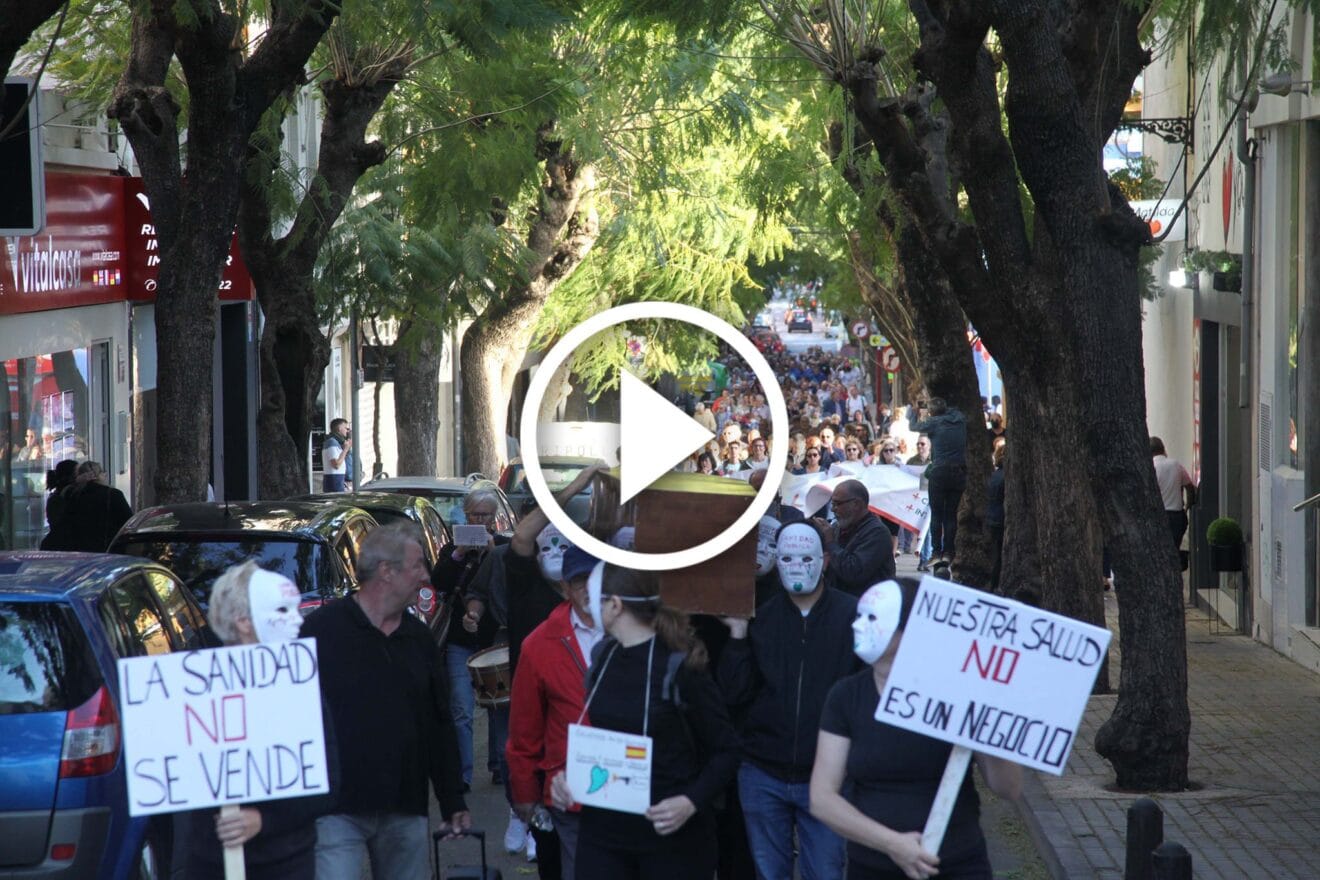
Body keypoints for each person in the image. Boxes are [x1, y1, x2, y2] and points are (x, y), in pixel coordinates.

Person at [811, 577, 1022, 879]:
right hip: (874, 868)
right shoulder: (846, 697)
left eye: (872, 618)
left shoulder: (956, 693)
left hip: (957, 864)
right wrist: (892, 844)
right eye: (858, 616)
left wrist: (985, 724)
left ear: (910, 628)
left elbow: (1009, 788)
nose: (858, 626)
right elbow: (822, 799)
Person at [300, 523, 471, 879]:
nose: (426, 575)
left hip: (404, 805)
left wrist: (452, 798)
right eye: (417, 566)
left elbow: (439, 722)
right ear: (387, 572)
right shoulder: (321, 631)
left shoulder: (420, 640)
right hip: (336, 807)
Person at [550, 565, 741, 878]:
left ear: (615, 605)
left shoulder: (680, 665)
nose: (587, 609)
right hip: (604, 834)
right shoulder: (602, 655)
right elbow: (606, 737)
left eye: (595, 601)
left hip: (669, 836)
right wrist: (570, 775)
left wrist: (691, 801)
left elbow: (728, 750)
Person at [462, 461, 610, 854]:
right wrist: (577, 485)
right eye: (551, 545)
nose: (556, 553)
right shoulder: (526, 580)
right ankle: (523, 814)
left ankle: (553, 825)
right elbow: (526, 533)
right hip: (531, 685)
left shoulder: (595, 599)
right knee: (522, 751)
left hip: (579, 690)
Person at [718, 521, 858, 880]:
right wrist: (736, 636)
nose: (797, 566)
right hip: (763, 772)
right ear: (776, 561)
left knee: (826, 871)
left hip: (829, 776)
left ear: (824, 561)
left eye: (806, 557)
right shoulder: (760, 619)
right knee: (768, 872)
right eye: (788, 558)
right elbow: (734, 693)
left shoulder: (853, 617)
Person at [180, 561, 335, 879]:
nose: (297, 620)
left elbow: (328, 781)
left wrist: (264, 820)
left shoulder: (302, 688)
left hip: (287, 863)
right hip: (211, 864)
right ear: (244, 622)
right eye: (282, 610)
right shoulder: (195, 689)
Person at [507, 545, 603, 880]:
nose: (590, 588)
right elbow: (523, 729)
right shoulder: (539, 644)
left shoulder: (632, 631)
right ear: (564, 587)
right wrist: (525, 795)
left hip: (629, 786)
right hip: (569, 792)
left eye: (597, 578)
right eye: (580, 582)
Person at [430, 481, 508, 794]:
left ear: (495, 518)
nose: (480, 522)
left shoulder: (502, 549)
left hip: (493, 640)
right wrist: (460, 552)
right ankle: (463, 773)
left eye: (486, 516)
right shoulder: (452, 550)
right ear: (465, 515)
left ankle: (498, 766)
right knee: (461, 707)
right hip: (461, 640)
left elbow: (508, 587)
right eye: (474, 515)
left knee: (495, 706)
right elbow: (439, 582)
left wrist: (492, 552)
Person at [812, 479, 895, 597]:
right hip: (842, 603)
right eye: (832, 504)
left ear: (856, 504)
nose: (833, 509)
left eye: (838, 504)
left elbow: (853, 572)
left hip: (868, 605)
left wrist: (830, 542)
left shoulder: (877, 532)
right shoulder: (837, 528)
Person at [912, 399, 968, 566]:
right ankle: (949, 552)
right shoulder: (960, 420)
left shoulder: (934, 423)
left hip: (939, 471)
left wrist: (920, 415)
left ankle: (936, 552)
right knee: (951, 515)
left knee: (937, 514)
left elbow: (915, 427)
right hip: (958, 472)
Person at [39, 461, 132, 552]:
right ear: (97, 475)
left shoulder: (73, 497)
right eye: (103, 473)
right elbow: (128, 522)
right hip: (107, 550)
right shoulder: (113, 494)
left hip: (80, 552)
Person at [1150, 436, 1197, 552]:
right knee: (1174, 549)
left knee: (1159, 551)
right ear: (1163, 449)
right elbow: (1190, 487)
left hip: (1158, 515)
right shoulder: (1176, 465)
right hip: (1177, 516)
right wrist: (1187, 507)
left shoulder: (1150, 468)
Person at [986, 443, 1006, 592]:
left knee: (996, 555)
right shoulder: (1005, 476)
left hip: (992, 517)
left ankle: (993, 584)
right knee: (999, 556)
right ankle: (995, 585)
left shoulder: (994, 475)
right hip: (1000, 519)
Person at [321, 418, 352, 492]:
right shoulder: (331, 442)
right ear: (339, 428)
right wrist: (345, 449)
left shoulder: (337, 443)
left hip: (338, 479)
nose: (347, 431)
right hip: (334, 480)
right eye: (346, 428)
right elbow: (336, 464)